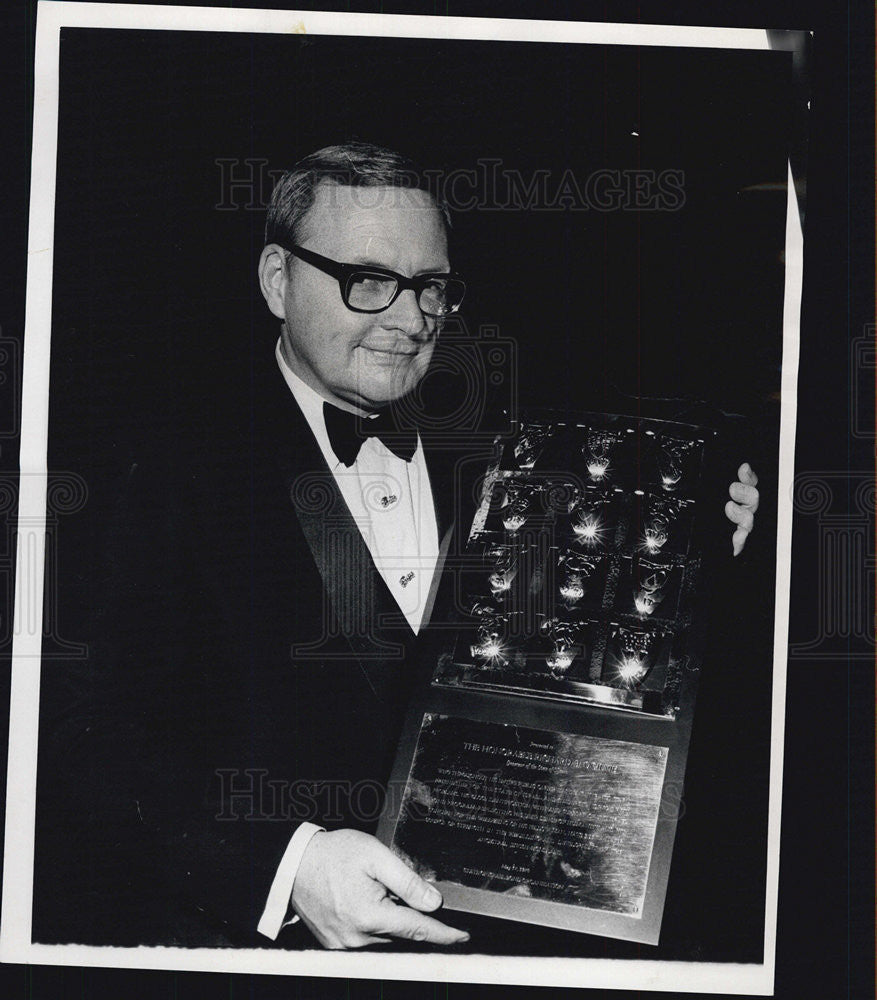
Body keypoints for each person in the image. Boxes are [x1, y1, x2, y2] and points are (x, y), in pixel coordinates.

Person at [35, 141, 760, 951]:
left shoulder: (510, 444)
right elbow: (75, 735)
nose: (410, 318)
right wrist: (285, 865)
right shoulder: (152, 463)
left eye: (431, 287)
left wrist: (715, 530)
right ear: (279, 280)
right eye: (368, 280)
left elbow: (605, 632)